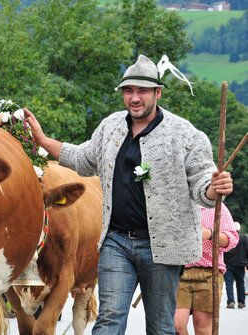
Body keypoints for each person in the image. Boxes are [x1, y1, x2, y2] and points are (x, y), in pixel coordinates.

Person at [23, 54, 234, 335]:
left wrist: (213, 188)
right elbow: (82, 158)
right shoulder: (110, 127)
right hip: (116, 242)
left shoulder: (185, 135)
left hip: (163, 247)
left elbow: (202, 183)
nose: (135, 98)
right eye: (129, 91)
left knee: (161, 326)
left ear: (157, 93)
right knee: (109, 318)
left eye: (142, 91)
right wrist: (42, 140)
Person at [174, 204, 238, 335]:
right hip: (178, 271)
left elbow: (232, 240)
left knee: (203, 327)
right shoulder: (176, 203)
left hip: (209, 273)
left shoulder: (217, 206)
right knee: (176, 326)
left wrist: (210, 233)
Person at [224, 221, 248, 309]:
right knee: (240, 283)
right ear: (239, 229)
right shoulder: (244, 238)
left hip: (228, 264)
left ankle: (231, 302)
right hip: (240, 265)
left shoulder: (228, 238)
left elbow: (224, 251)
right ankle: (241, 302)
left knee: (229, 283)